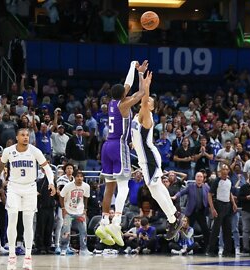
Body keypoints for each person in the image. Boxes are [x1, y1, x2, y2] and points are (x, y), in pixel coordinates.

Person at [0, 129, 56, 270]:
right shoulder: (9, 151)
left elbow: (47, 168)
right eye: (23, 135)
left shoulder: (35, 151)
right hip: (14, 187)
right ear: (17, 137)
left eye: (27, 135)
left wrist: (51, 182)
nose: (26, 137)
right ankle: (12, 256)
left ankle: (27, 256)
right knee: (13, 217)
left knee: (27, 222)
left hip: (30, 188)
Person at [96, 60, 148, 247]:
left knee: (109, 188)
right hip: (119, 146)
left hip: (106, 147)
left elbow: (127, 83)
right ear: (124, 94)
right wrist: (141, 75)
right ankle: (116, 223)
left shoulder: (112, 101)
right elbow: (141, 93)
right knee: (124, 186)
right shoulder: (124, 105)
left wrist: (132, 67)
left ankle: (103, 223)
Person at [130, 71, 184, 241]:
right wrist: (140, 75)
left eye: (149, 101)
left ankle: (174, 218)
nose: (145, 101)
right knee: (155, 190)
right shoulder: (139, 115)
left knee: (156, 189)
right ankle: (174, 216)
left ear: (152, 107)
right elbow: (141, 97)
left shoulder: (148, 117)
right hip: (144, 157)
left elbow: (144, 100)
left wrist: (146, 86)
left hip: (150, 158)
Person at [59, 170, 91, 256]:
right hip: (68, 212)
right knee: (66, 231)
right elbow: (61, 196)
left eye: (81, 176)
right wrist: (63, 209)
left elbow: (86, 197)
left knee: (83, 231)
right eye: (77, 176)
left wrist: (85, 209)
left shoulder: (86, 186)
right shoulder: (68, 186)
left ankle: (84, 249)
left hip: (80, 212)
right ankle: (64, 248)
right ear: (74, 177)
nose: (79, 178)